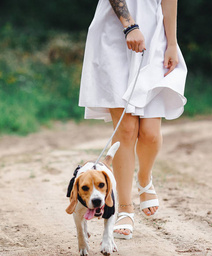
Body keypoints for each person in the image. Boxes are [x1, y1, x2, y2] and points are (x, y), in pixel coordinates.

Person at [79, 0, 187, 239]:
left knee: (149, 132)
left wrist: (172, 43)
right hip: (113, 36)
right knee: (126, 130)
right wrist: (129, 26)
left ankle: (144, 178)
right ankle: (124, 209)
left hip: (153, 34)